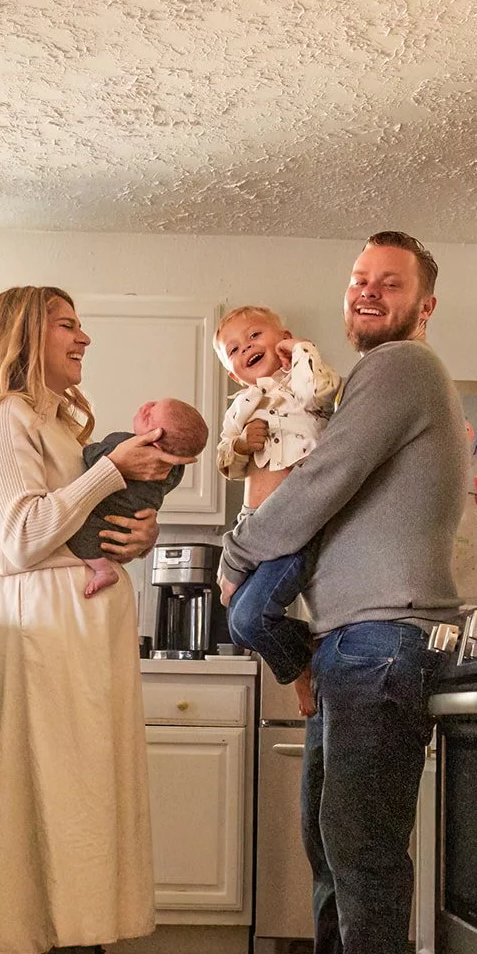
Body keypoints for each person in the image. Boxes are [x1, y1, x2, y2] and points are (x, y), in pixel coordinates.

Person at [218, 232, 468, 954]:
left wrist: (238, 551)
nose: (367, 292)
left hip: (384, 638)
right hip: (350, 642)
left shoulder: (400, 368)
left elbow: (320, 480)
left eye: (389, 283)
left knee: (360, 849)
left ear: (423, 305)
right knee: (331, 846)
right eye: (359, 279)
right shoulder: (365, 376)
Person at [0, 285, 195, 954]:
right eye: (66, 324)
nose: (84, 336)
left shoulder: (57, 425)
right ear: (22, 335)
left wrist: (136, 533)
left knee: (61, 823)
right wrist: (111, 469)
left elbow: (71, 525)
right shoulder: (6, 417)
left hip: (73, 634)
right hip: (41, 634)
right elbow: (19, 540)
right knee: (35, 825)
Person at [213, 307, 340, 716]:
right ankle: (311, 647)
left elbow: (321, 390)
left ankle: (302, 668)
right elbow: (224, 463)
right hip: (253, 524)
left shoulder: (303, 384)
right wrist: (241, 446)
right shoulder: (240, 408)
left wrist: (298, 350)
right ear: (234, 374)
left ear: (281, 336)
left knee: (250, 618)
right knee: (237, 622)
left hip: (295, 525)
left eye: (254, 336)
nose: (246, 347)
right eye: (234, 349)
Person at [67, 397, 209, 597]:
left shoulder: (122, 443)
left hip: (103, 523)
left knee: (78, 536)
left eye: (150, 415)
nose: (145, 406)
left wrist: (91, 449)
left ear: (156, 440)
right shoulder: (175, 470)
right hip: (128, 525)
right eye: (152, 404)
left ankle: (103, 569)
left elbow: (92, 457)